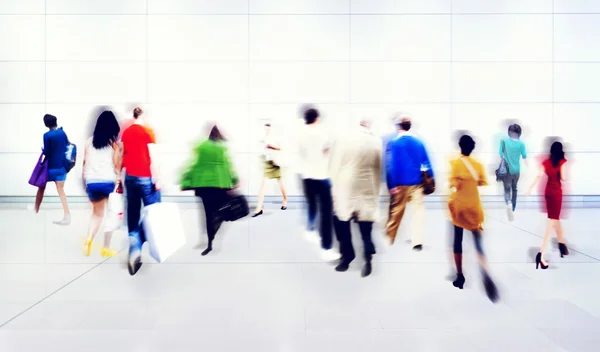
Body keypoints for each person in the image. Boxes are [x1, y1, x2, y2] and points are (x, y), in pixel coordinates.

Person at [448, 135, 498, 303]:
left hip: (459, 207)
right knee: (477, 242)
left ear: (460, 146)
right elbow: (482, 182)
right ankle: (484, 268)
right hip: (474, 207)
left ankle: (460, 275)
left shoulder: (455, 163)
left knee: (457, 241)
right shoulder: (478, 165)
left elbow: (453, 184)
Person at [330, 120, 382, 277]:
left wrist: (332, 189)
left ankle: (346, 257)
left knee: (341, 222)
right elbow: (378, 168)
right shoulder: (376, 141)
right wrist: (376, 191)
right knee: (366, 226)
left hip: (346, 186)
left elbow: (335, 166)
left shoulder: (343, 140)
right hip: (368, 186)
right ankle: (368, 256)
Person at [180, 125, 239, 256]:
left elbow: (194, 165)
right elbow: (228, 166)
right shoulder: (222, 149)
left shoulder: (201, 147)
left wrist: (186, 181)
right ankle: (217, 226)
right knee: (218, 212)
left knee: (207, 215)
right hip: (219, 187)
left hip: (204, 188)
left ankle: (209, 243)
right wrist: (234, 180)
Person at [121, 107, 161, 276]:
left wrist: (118, 177)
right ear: (142, 116)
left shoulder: (127, 132)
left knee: (133, 213)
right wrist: (157, 178)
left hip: (129, 177)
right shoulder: (147, 132)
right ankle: (139, 241)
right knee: (153, 212)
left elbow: (122, 154)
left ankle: (134, 249)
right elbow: (153, 157)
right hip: (145, 176)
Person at [385, 115, 433, 250]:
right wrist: (431, 178)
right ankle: (417, 241)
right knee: (418, 212)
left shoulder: (395, 143)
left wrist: (393, 184)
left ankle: (389, 239)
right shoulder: (419, 142)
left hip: (401, 184)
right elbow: (426, 163)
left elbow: (392, 165)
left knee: (396, 213)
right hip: (417, 182)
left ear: (399, 127)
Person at [297, 107, 339, 261]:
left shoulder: (300, 133)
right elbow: (327, 151)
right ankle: (326, 248)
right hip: (322, 175)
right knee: (326, 212)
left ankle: (310, 229)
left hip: (306, 175)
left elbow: (300, 152)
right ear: (317, 117)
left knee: (312, 204)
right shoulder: (324, 132)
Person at [82, 110, 121, 257]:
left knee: (97, 214)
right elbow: (117, 165)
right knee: (110, 215)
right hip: (108, 183)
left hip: (92, 182)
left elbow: (84, 163)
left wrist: (84, 181)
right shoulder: (114, 144)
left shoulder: (89, 142)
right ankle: (106, 247)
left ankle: (88, 239)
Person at [527, 141, 568, 270]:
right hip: (556, 193)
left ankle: (562, 245)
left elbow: (539, 175)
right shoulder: (562, 162)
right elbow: (563, 177)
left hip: (548, 192)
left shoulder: (546, 162)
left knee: (555, 219)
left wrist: (530, 188)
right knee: (551, 223)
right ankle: (541, 254)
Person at [35, 114, 71, 225]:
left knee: (41, 188)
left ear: (46, 124)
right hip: (61, 167)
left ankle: (35, 211)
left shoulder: (47, 135)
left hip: (50, 168)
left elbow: (47, 152)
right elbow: (67, 146)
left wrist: (43, 149)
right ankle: (67, 215)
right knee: (61, 192)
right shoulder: (62, 133)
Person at [252, 123, 288, 217]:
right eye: (265, 128)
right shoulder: (263, 137)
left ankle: (285, 200)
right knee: (263, 184)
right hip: (267, 162)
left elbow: (281, 148)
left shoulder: (276, 136)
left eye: (268, 128)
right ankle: (259, 208)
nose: (266, 130)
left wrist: (271, 146)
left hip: (275, 162)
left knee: (280, 182)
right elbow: (261, 149)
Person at [499, 123, 528, 221]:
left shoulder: (503, 141)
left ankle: (508, 203)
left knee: (507, 189)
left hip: (506, 170)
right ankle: (514, 206)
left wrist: (499, 167)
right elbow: (524, 157)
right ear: (519, 133)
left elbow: (500, 156)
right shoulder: (521, 144)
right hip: (516, 171)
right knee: (514, 188)